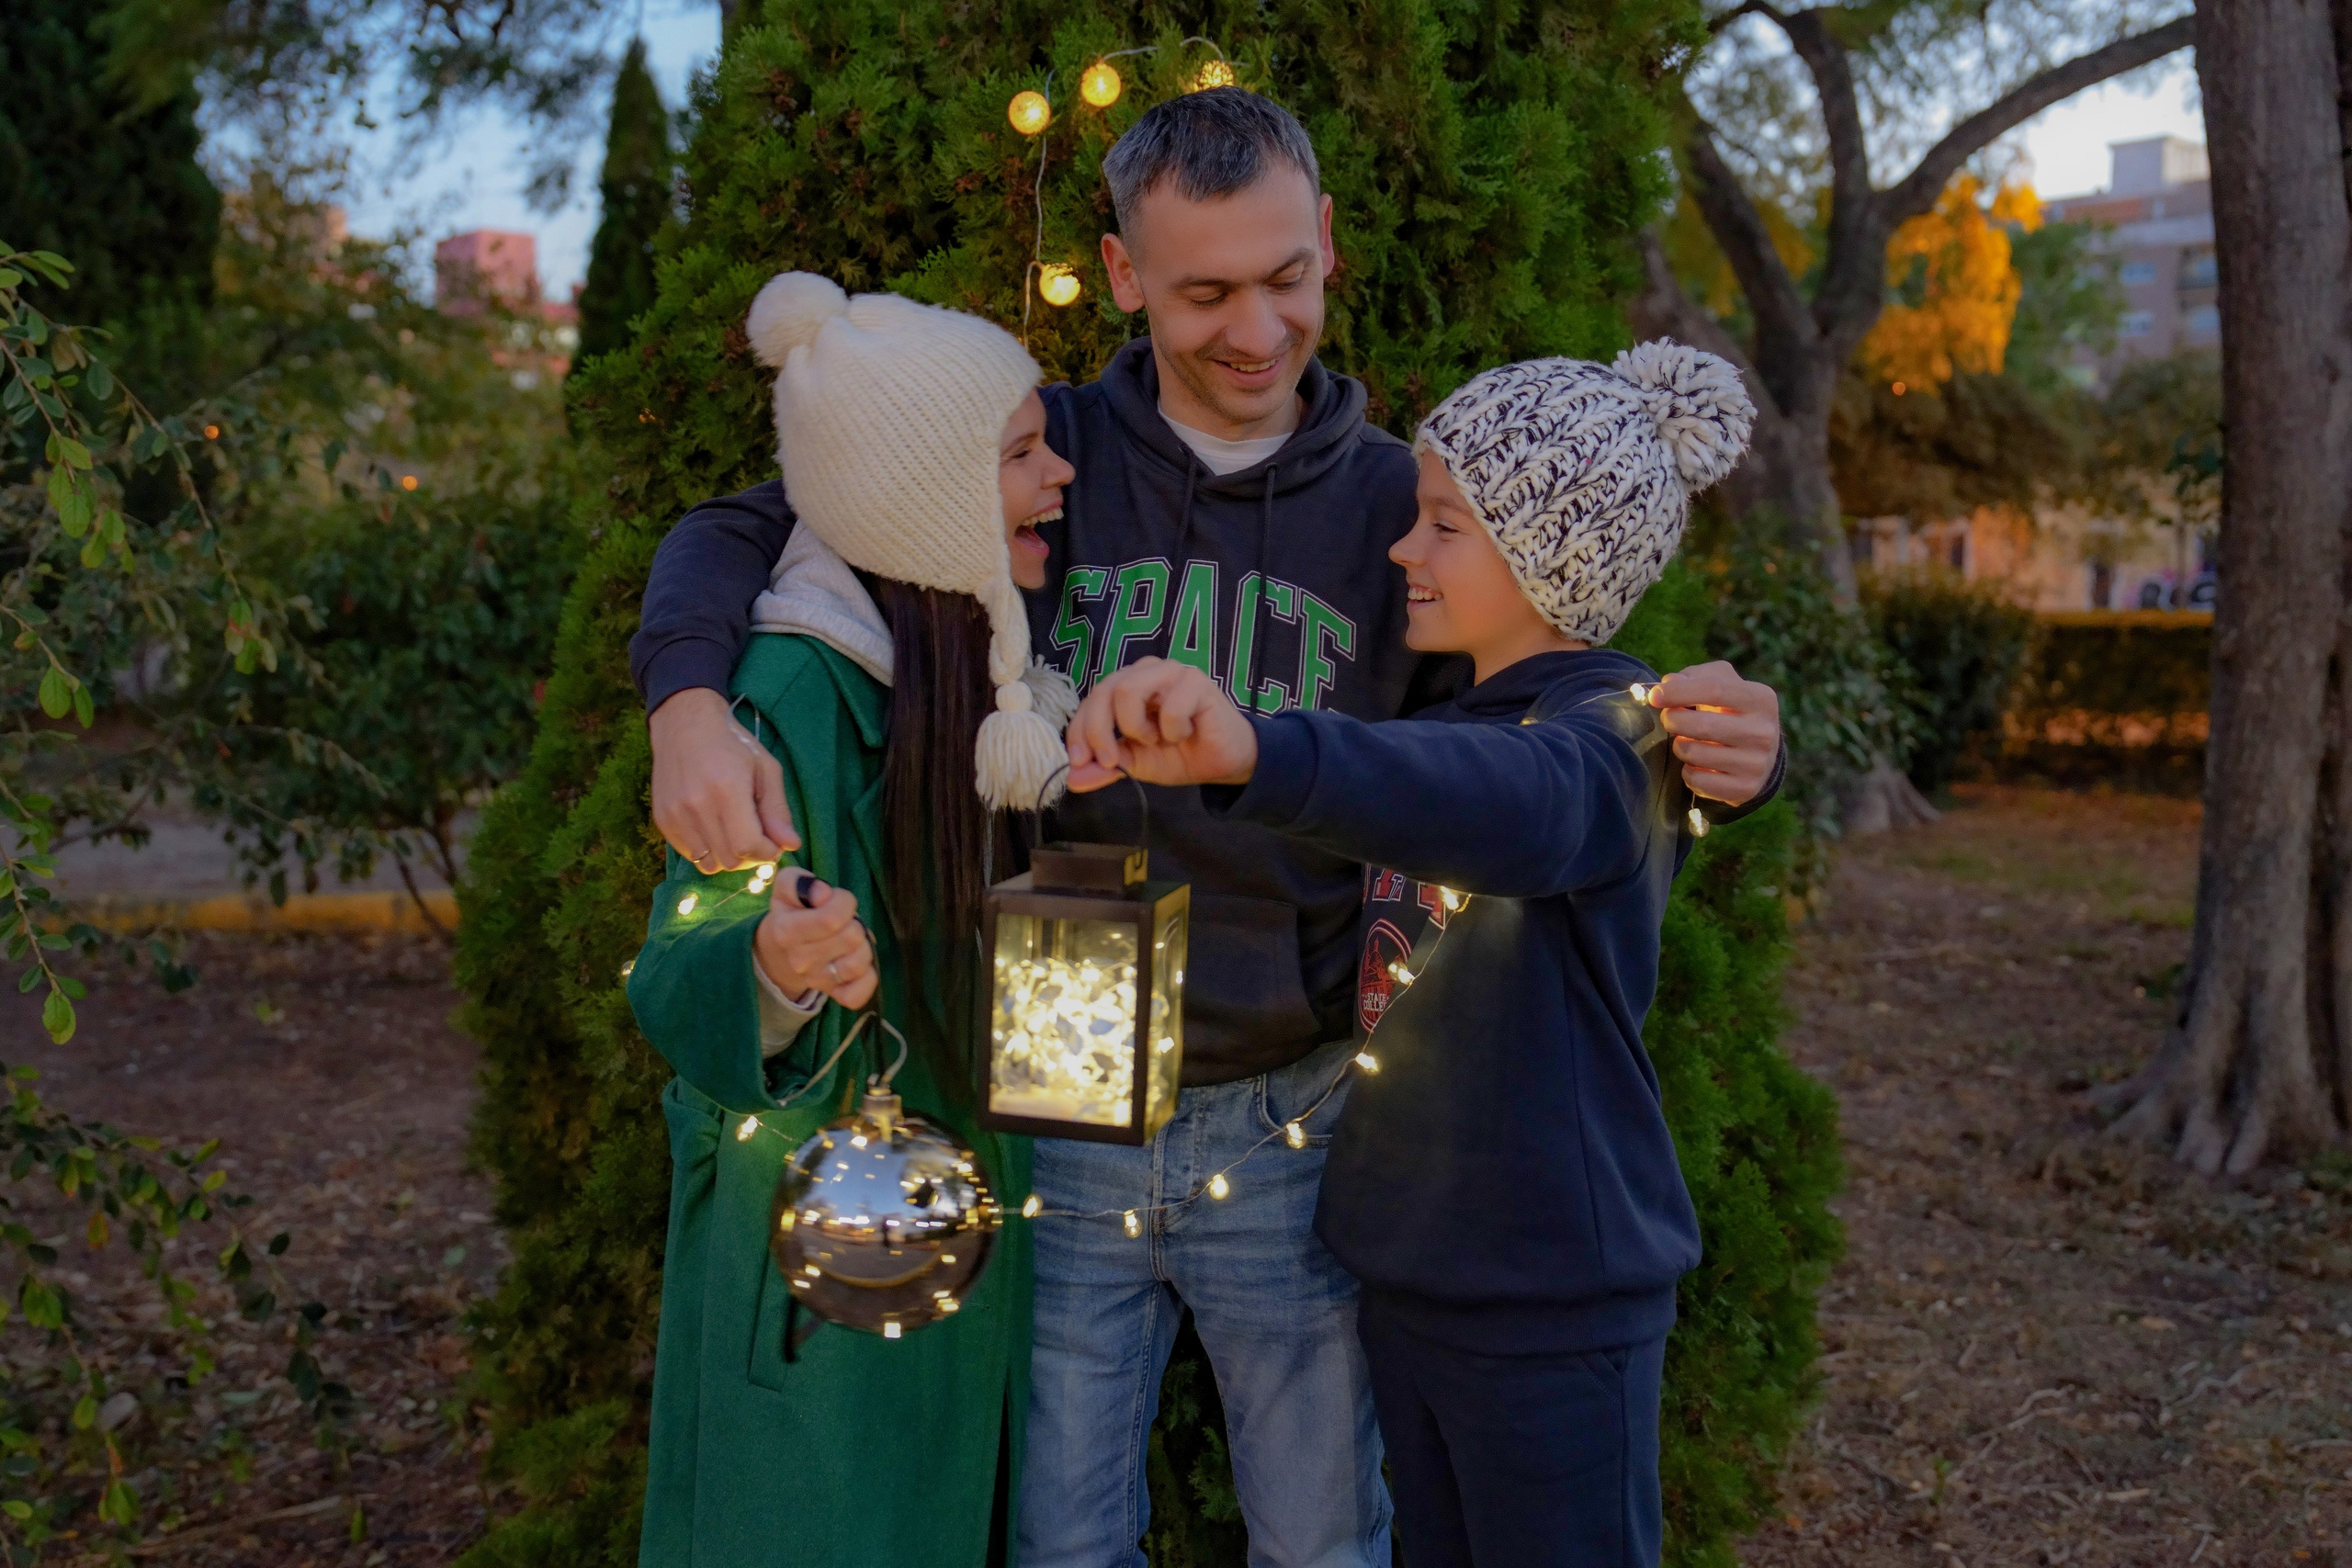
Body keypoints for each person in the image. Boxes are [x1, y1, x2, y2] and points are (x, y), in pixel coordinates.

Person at [628, 91, 1785, 1568]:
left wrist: (1739, 754)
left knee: (1320, 1538)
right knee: (1061, 1538)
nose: (1256, 329)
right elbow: (762, 521)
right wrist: (685, 698)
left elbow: (1548, 738)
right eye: (1204, 291)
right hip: (1055, 1109)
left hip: (1294, 1117)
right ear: (1120, 274)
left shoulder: (1406, 513)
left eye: (1286, 279)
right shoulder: (1037, 459)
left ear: (1329, 250)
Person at [1063, 343, 1759, 1567]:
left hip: (1556, 1298)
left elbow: (1520, 802)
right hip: (1417, 1280)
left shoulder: (1613, 741)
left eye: (1443, 526)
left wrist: (1259, 755)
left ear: (1548, 553)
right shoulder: (1460, 716)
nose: (1403, 551)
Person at [623, 272, 1081, 1568]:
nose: (1059, 479)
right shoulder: (785, 697)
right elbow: (679, 964)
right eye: (1022, 454)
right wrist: (770, 962)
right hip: (824, 1274)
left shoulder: (988, 676)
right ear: (926, 495)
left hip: (952, 1251)